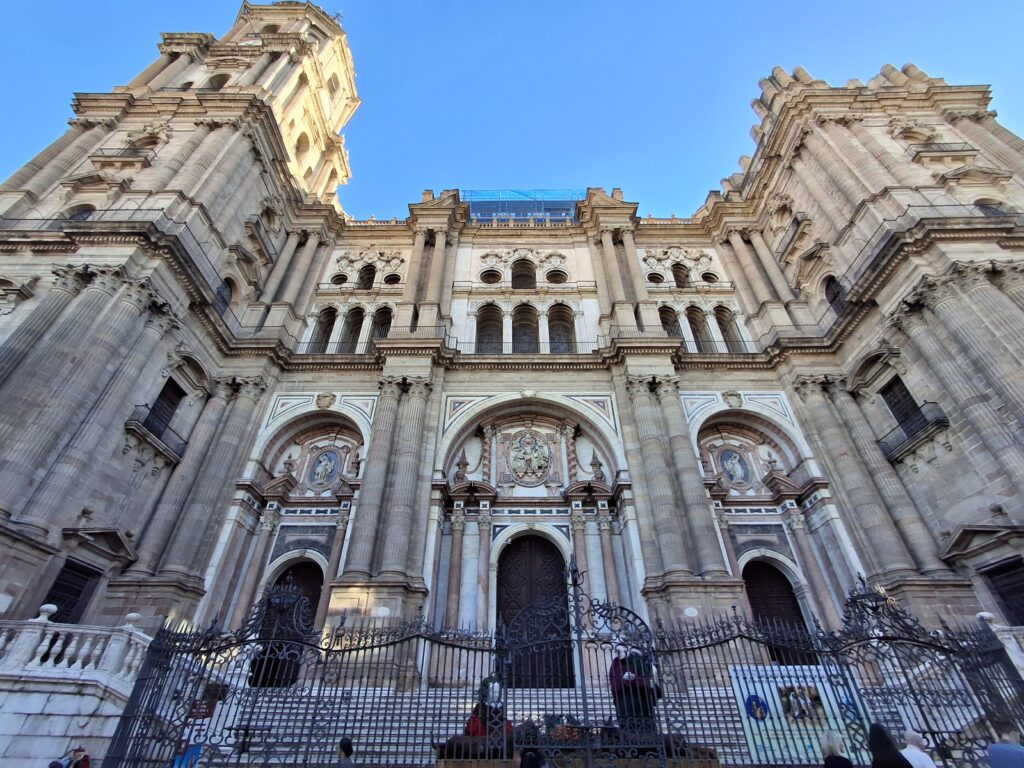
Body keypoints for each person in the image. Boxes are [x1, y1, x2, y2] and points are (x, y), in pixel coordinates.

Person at [608, 650, 662, 737]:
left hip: (644, 703)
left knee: (647, 731)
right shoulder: (617, 662)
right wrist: (624, 679)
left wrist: (648, 683)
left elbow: (649, 681)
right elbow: (615, 680)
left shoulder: (642, 661)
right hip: (626, 702)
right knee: (629, 729)